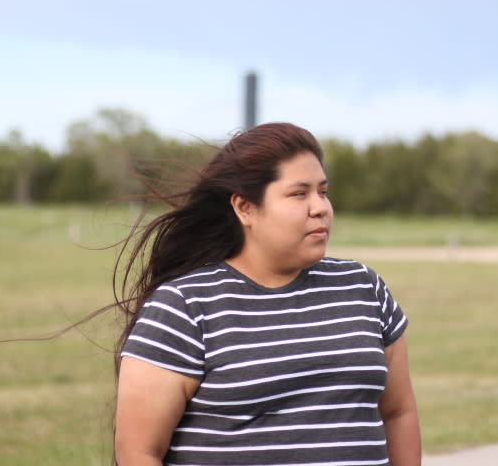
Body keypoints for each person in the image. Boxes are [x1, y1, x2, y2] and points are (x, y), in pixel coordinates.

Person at [113, 122, 421, 466]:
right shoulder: (184, 307)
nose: (320, 207)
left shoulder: (363, 287)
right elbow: (138, 453)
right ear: (245, 208)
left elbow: (398, 412)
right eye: (299, 193)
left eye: (323, 191)